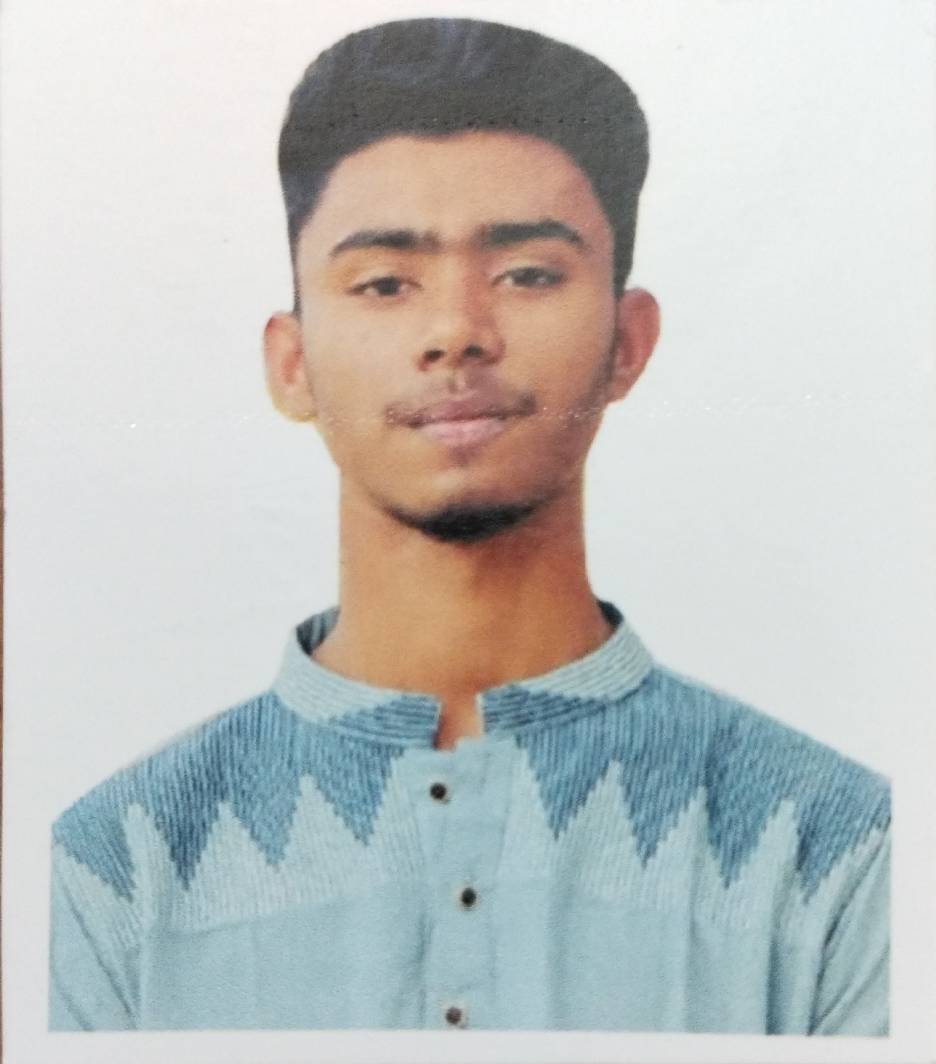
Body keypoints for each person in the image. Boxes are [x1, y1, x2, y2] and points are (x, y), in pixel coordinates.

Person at [49, 17, 890, 1034]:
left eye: (527, 273)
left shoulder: (837, 851)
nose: (456, 332)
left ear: (627, 342)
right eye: (384, 283)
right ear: (292, 362)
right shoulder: (113, 873)